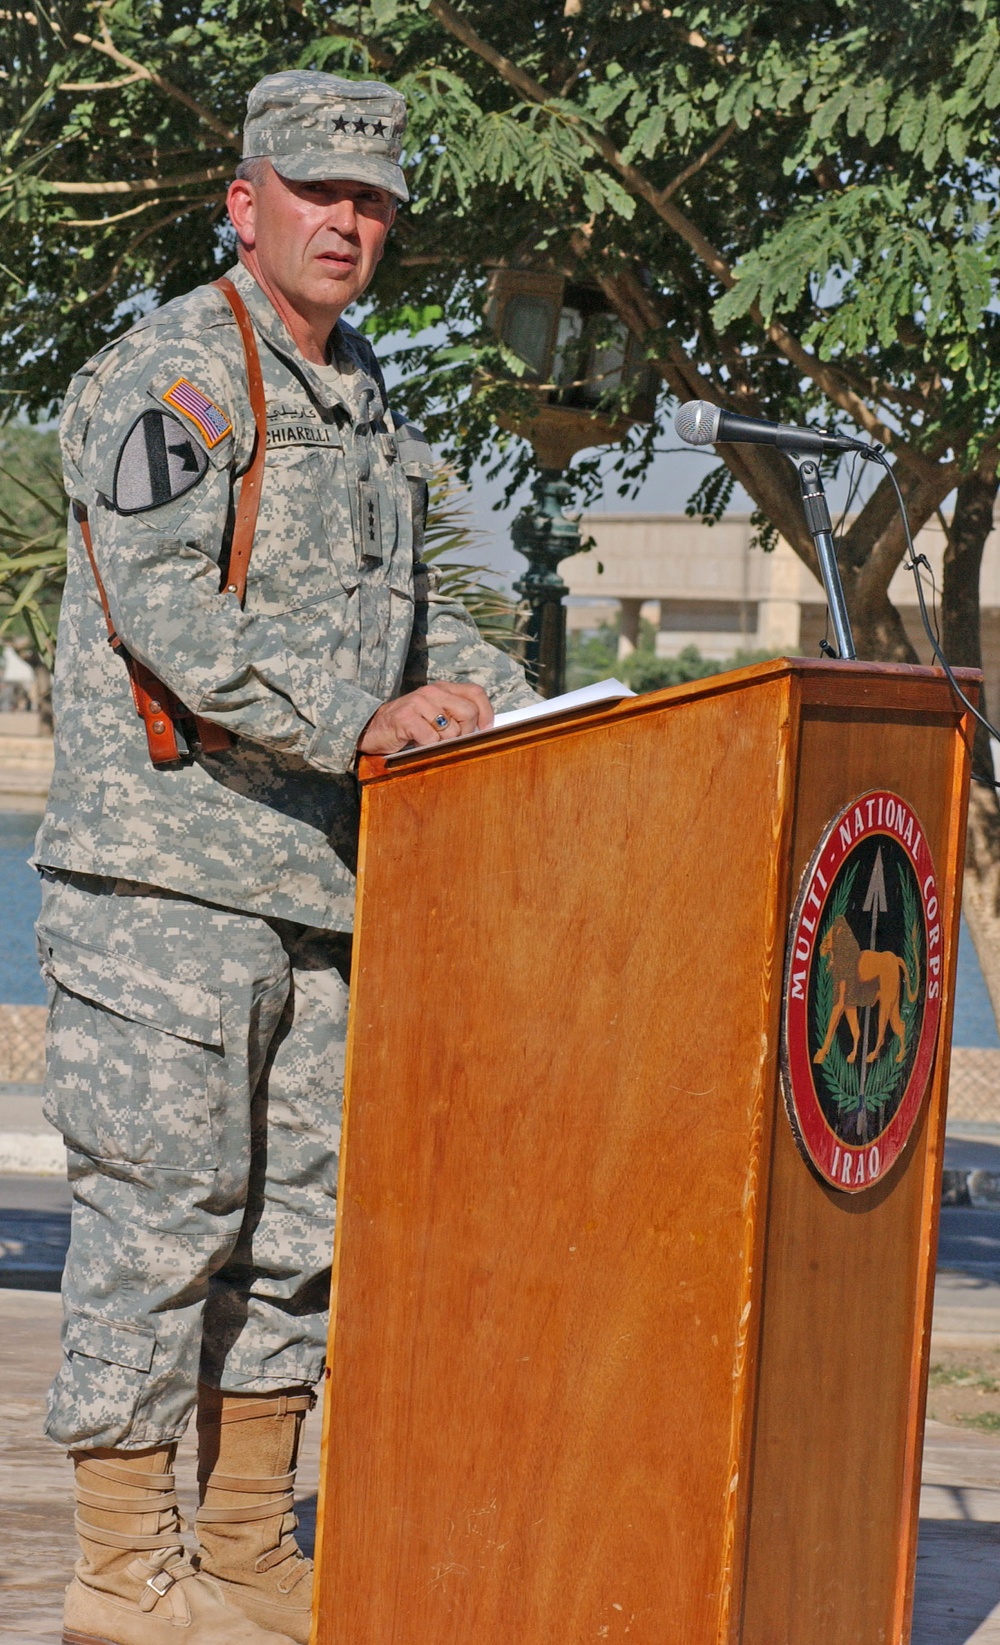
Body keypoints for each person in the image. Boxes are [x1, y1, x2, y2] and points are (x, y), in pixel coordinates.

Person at [34, 69, 538, 1645]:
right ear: (243, 203)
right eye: (317, 192)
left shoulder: (366, 394)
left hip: (323, 889)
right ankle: (124, 1576)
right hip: (165, 887)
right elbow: (166, 606)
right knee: (163, 1222)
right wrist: (365, 719)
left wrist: (515, 707)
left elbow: (426, 603)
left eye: (372, 200)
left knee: (296, 1240)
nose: (347, 222)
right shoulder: (177, 372)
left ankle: (245, 1550)